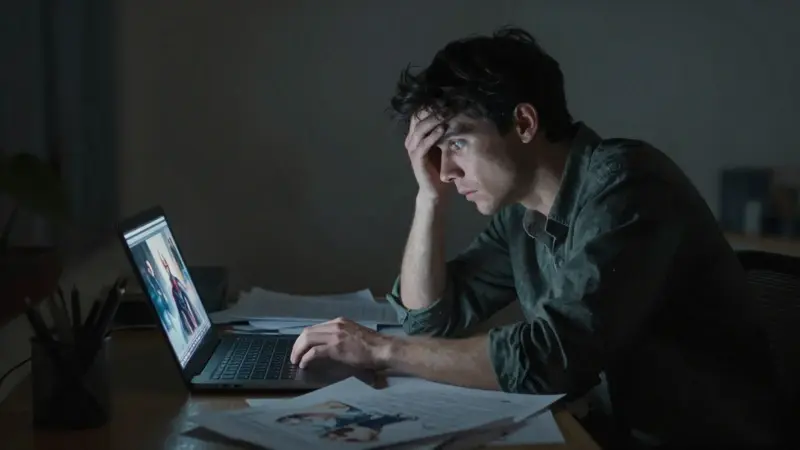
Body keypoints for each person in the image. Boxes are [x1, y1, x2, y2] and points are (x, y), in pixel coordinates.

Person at [289, 28, 784, 447]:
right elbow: (430, 320)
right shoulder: (524, 213)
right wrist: (429, 199)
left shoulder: (628, 186)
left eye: (457, 143)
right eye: (437, 153)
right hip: (605, 432)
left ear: (523, 123)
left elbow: (551, 357)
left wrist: (381, 351)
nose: (448, 169)